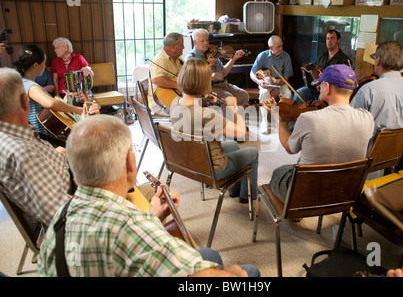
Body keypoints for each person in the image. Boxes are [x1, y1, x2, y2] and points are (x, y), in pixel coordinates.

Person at [37, 114, 260, 277]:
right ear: (130, 163)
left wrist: (154, 215)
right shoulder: (132, 225)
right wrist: (236, 273)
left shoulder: (60, 217)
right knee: (249, 271)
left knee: (209, 254)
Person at [264, 64, 374, 202]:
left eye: (320, 85)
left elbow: (289, 148)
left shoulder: (308, 118)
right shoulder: (367, 117)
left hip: (307, 195)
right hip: (344, 193)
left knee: (279, 172)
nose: (319, 88)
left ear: (327, 87)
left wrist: (278, 117)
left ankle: (295, 211)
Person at [170, 58, 259, 203]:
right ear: (204, 83)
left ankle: (234, 189)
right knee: (253, 153)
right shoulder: (207, 115)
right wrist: (235, 109)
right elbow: (242, 133)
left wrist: (206, 99)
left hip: (192, 161)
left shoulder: (175, 103)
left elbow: (194, 116)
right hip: (212, 168)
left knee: (233, 146)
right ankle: (248, 196)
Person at [0, 68, 73, 226]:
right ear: (24, 102)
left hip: (65, 182)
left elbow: (46, 163)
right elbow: (64, 214)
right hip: (72, 212)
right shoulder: (23, 153)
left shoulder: (13, 136)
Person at [11, 44, 100, 142]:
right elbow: (50, 103)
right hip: (47, 137)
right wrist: (77, 110)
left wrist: (63, 102)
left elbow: (48, 107)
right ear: (35, 65)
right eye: (44, 63)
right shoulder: (29, 85)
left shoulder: (23, 82)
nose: (45, 66)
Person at [351, 41, 403, 139]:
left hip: (369, 150)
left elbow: (351, 124)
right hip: (399, 149)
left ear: (378, 60)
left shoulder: (369, 89)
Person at [185, 28, 249, 107]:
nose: (206, 43)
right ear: (195, 42)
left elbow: (224, 73)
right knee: (229, 98)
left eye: (207, 40)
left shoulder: (212, 53)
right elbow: (193, 79)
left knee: (243, 95)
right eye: (202, 41)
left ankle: (233, 114)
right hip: (208, 88)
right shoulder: (191, 58)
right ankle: (226, 117)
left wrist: (234, 58)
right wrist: (210, 75)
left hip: (223, 84)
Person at [250, 35, 293, 134]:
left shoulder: (286, 56)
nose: (281, 48)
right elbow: (252, 73)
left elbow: (286, 78)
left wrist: (275, 90)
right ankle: (264, 122)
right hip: (266, 81)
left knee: (288, 94)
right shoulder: (262, 56)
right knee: (264, 93)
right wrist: (259, 82)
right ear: (271, 48)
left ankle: (283, 121)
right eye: (278, 47)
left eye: (281, 46)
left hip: (280, 81)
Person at [295, 29, 352, 104]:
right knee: (299, 93)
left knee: (320, 99)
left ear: (338, 40)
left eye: (332, 38)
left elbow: (346, 81)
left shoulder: (344, 60)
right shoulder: (321, 57)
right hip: (317, 89)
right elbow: (314, 73)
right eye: (327, 38)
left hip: (332, 92)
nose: (329, 41)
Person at [148, 32, 185, 114]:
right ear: (173, 46)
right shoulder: (159, 60)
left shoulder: (180, 61)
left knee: (198, 108)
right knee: (191, 114)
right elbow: (157, 80)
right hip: (159, 103)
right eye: (182, 45)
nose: (184, 47)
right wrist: (176, 85)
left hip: (177, 98)